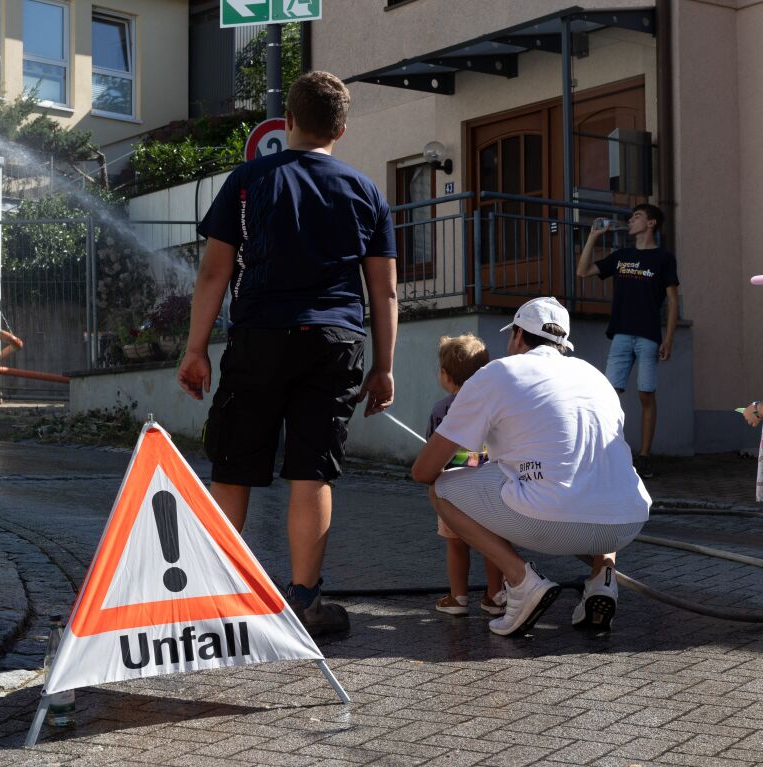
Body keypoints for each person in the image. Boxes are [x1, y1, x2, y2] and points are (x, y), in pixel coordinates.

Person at [177, 71, 398, 639]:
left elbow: (213, 273)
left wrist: (196, 349)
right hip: (336, 342)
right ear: (341, 129)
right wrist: (384, 367)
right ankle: (304, 601)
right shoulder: (366, 190)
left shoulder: (248, 180)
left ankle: (222, 600)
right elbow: (385, 292)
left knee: (235, 466)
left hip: (260, 337)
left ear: (288, 123)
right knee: (312, 471)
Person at [411, 297, 651, 637]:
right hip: (626, 524)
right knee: (602, 474)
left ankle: (521, 581)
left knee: (442, 490)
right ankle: (603, 580)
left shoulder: (496, 373)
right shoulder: (595, 377)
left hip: (550, 523)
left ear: (519, 336)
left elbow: (423, 471)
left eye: (512, 336)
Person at [577, 204, 680, 479]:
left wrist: (668, 338)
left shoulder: (663, 259)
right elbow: (583, 271)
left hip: (648, 335)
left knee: (646, 393)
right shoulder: (622, 256)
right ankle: (608, 452)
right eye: (631, 216)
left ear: (651, 223)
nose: (630, 220)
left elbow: (672, 300)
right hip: (621, 333)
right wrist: (593, 237)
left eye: (637, 216)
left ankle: (644, 456)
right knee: (608, 396)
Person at [424, 334, 506, 618]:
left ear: (446, 376)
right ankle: (495, 595)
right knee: (493, 545)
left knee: (456, 544)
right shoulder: (496, 407)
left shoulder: (441, 410)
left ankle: (458, 597)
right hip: (489, 491)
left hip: (452, 492)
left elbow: (433, 455)